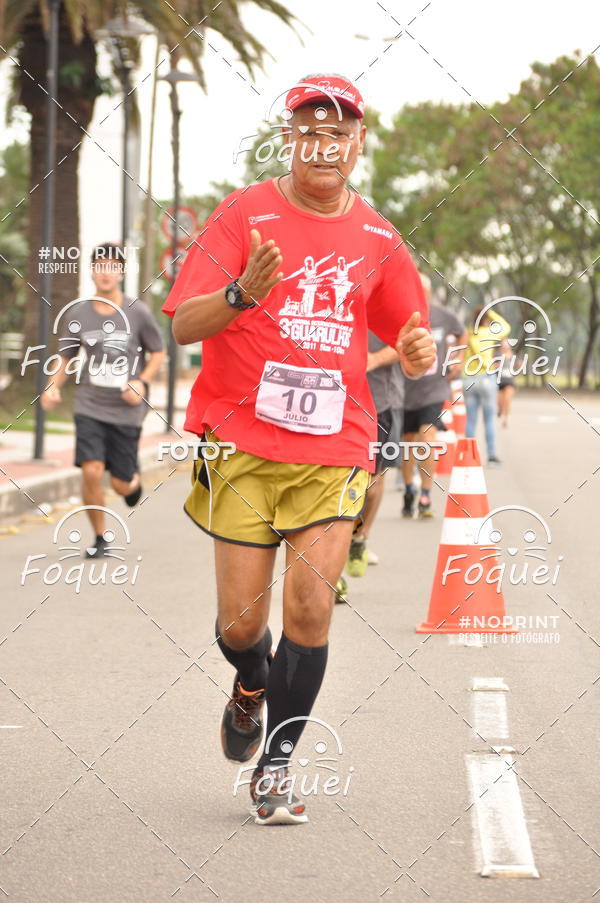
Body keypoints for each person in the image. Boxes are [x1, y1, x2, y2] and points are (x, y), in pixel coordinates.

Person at [163, 73, 436, 825]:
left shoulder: (379, 236)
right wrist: (242, 294)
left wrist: (416, 352)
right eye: (309, 130)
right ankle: (249, 683)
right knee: (241, 626)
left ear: (357, 144)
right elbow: (184, 324)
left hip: (334, 447)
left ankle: (276, 767)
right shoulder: (244, 214)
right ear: (291, 138)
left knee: (311, 609)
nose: (324, 143)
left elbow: (409, 337)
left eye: (339, 132)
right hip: (245, 445)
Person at [41, 244, 165, 555]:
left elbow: (158, 351)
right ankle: (100, 538)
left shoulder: (137, 312)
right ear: (92, 271)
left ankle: (131, 482)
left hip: (126, 410)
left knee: (121, 486)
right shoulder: (78, 312)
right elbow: (65, 356)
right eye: (100, 265)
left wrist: (142, 381)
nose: (106, 272)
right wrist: (52, 386)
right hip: (90, 405)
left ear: (121, 272)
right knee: (91, 470)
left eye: (112, 266)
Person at [402, 276, 466, 518]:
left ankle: (426, 494)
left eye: (423, 291)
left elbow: (462, 334)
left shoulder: (443, 315)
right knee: (407, 443)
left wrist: (457, 361)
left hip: (433, 388)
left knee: (427, 437)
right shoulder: (399, 314)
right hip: (404, 390)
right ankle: (409, 489)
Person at [344, 331, 404, 578]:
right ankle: (330, 567)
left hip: (379, 406)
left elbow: (404, 343)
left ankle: (359, 538)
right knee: (337, 480)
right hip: (335, 403)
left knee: (372, 480)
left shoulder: (385, 297)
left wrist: (372, 359)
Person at [462, 305, 510, 465]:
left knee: (471, 419)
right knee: (489, 419)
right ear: (486, 319)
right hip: (486, 378)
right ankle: (491, 456)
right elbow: (506, 326)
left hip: (468, 379)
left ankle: (468, 456)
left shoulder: (469, 333)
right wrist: (490, 311)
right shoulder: (490, 333)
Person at [497, 338, 516, 427]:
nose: (505, 347)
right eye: (503, 345)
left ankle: (506, 419)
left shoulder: (513, 356)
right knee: (500, 401)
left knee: (507, 399)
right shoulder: (497, 356)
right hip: (499, 381)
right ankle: (500, 409)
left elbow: (518, 365)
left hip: (509, 381)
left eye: (506, 346)